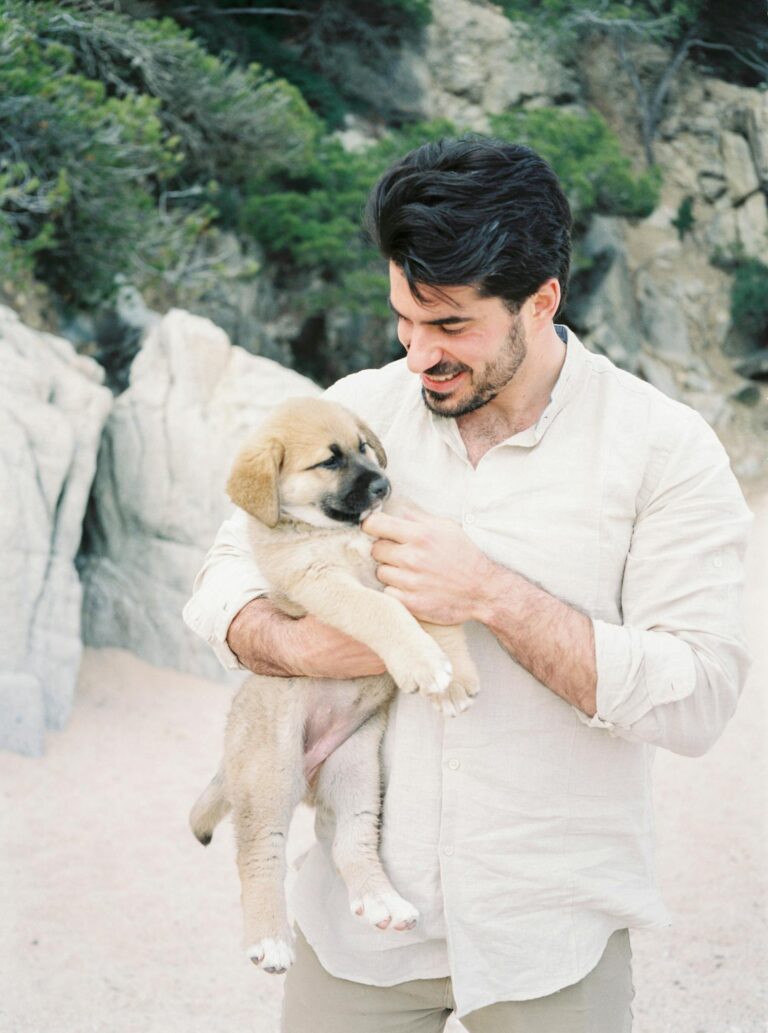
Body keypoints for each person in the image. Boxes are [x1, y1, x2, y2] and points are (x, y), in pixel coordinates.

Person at [183, 137, 752, 1033]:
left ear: (542, 299)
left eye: (451, 326)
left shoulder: (664, 450)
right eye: (405, 319)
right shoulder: (355, 408)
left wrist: (492, 594)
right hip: (356, 938)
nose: (417, 355)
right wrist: (296, 641)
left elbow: (701, 700)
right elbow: (221, 577)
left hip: (551, 933)